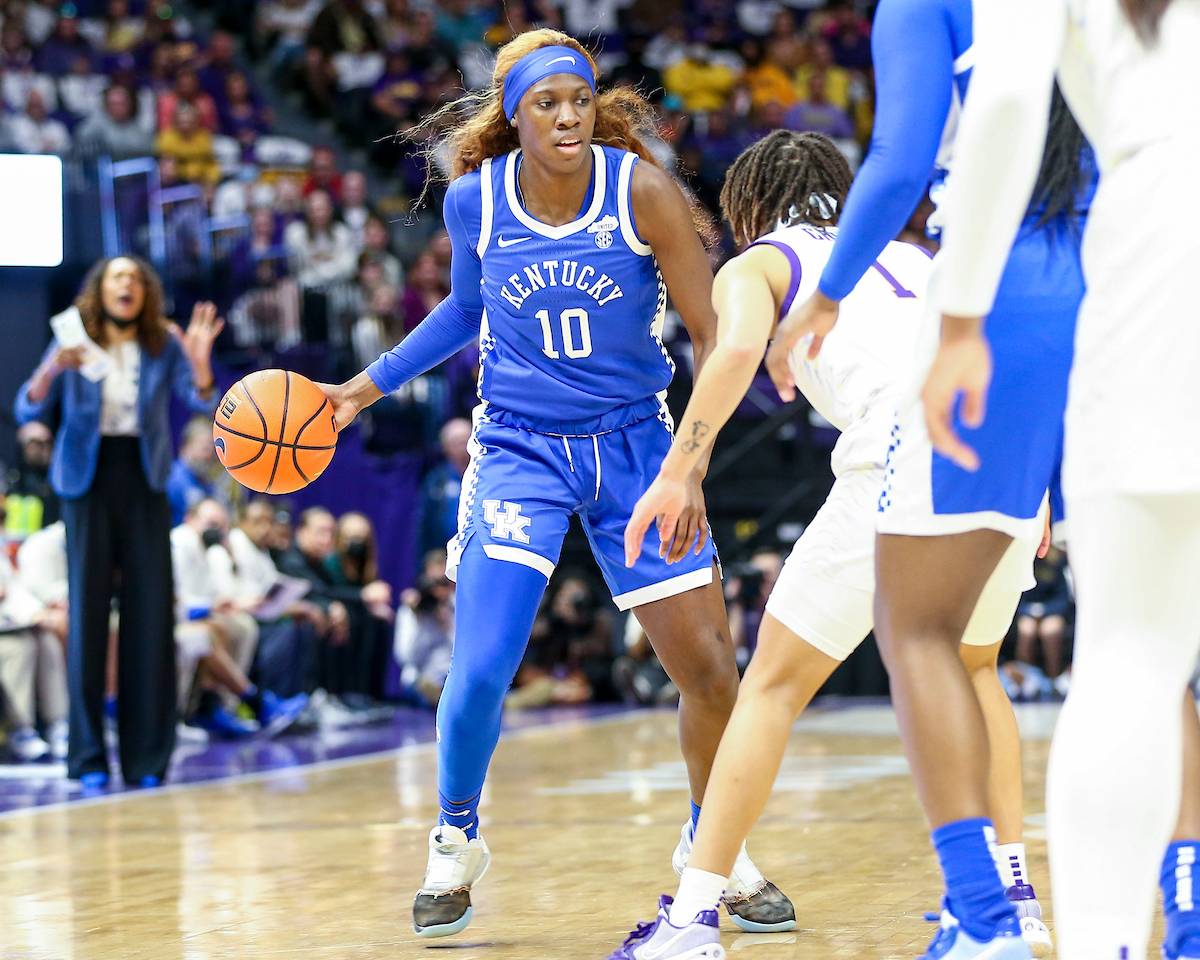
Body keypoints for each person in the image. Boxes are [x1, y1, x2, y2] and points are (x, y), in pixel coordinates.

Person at [317, 28, 793, 939]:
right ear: (516, 115)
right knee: (482, 667)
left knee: (709, 675)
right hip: (518, 448)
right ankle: (455, 838)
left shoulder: (641, 190)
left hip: (634, 448)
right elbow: (465, 309)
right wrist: (361, 389)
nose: (569, 114)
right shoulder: (474, 202)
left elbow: (709, 329)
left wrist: (689, 463)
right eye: (548, 102)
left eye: (580, 97)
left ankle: (713, 848)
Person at [607, 129, 1052, 960]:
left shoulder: (765, 263)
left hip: (904, 457)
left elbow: (736, 348)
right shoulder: (915, 255)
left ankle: (692, 918)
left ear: (749, 206)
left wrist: (680, 468)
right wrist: (1044, 482)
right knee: (977, 668)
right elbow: (1007, 352)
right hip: (1007, 462)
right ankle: (1014, 899)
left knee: (770, 687)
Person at [757, 0, 1097, 955]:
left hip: (1010, 300)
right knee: (1142, 650)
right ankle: (1178, 915)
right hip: (1145, 288)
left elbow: (903, 160)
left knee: (918, 629)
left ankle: (984, 920)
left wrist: (822, 299)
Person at [917, 3, 1200, 960]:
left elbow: (1003, 104)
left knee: (1130, 656)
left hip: (1164, 239)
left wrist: (959, 320)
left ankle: (1110, 944)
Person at [13, 256, 221, 788]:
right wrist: (50, 368)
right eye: (115, 277)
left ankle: (146, 758)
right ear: (99, 290)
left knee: (150, 615)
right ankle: (85, 758)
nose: (125, 284)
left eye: (134, 278)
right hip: (86, 480)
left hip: (145, 478)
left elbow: (199, 398)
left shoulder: (163, 341)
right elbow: (26, 408)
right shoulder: (72, 338)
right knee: (86, 615)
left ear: (144, 291)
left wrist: (198, 361)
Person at [171, 498, 309, 737]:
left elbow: (216, 595)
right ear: (190, 520)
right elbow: (177, 602)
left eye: (221, 525)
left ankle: (219, 706)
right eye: (211, 523)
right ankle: (250, 699)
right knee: (205, 635)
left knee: (239, 627)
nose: (216, 530)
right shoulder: (180, 542)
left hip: (191, 617)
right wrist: (215, 605)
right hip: (169, 620)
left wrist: (224, 599)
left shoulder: (209, 549)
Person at [5, 421, 59, 535]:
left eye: (48, 443)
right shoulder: (13, 479)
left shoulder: (57, 481)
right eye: (36, 443)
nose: (44, 448)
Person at [166, 416, 217, 526]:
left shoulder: (207, 481)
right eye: (203, 448)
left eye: (211, 448)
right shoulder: (172, 477)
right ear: (185, 447)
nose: (208, 454)